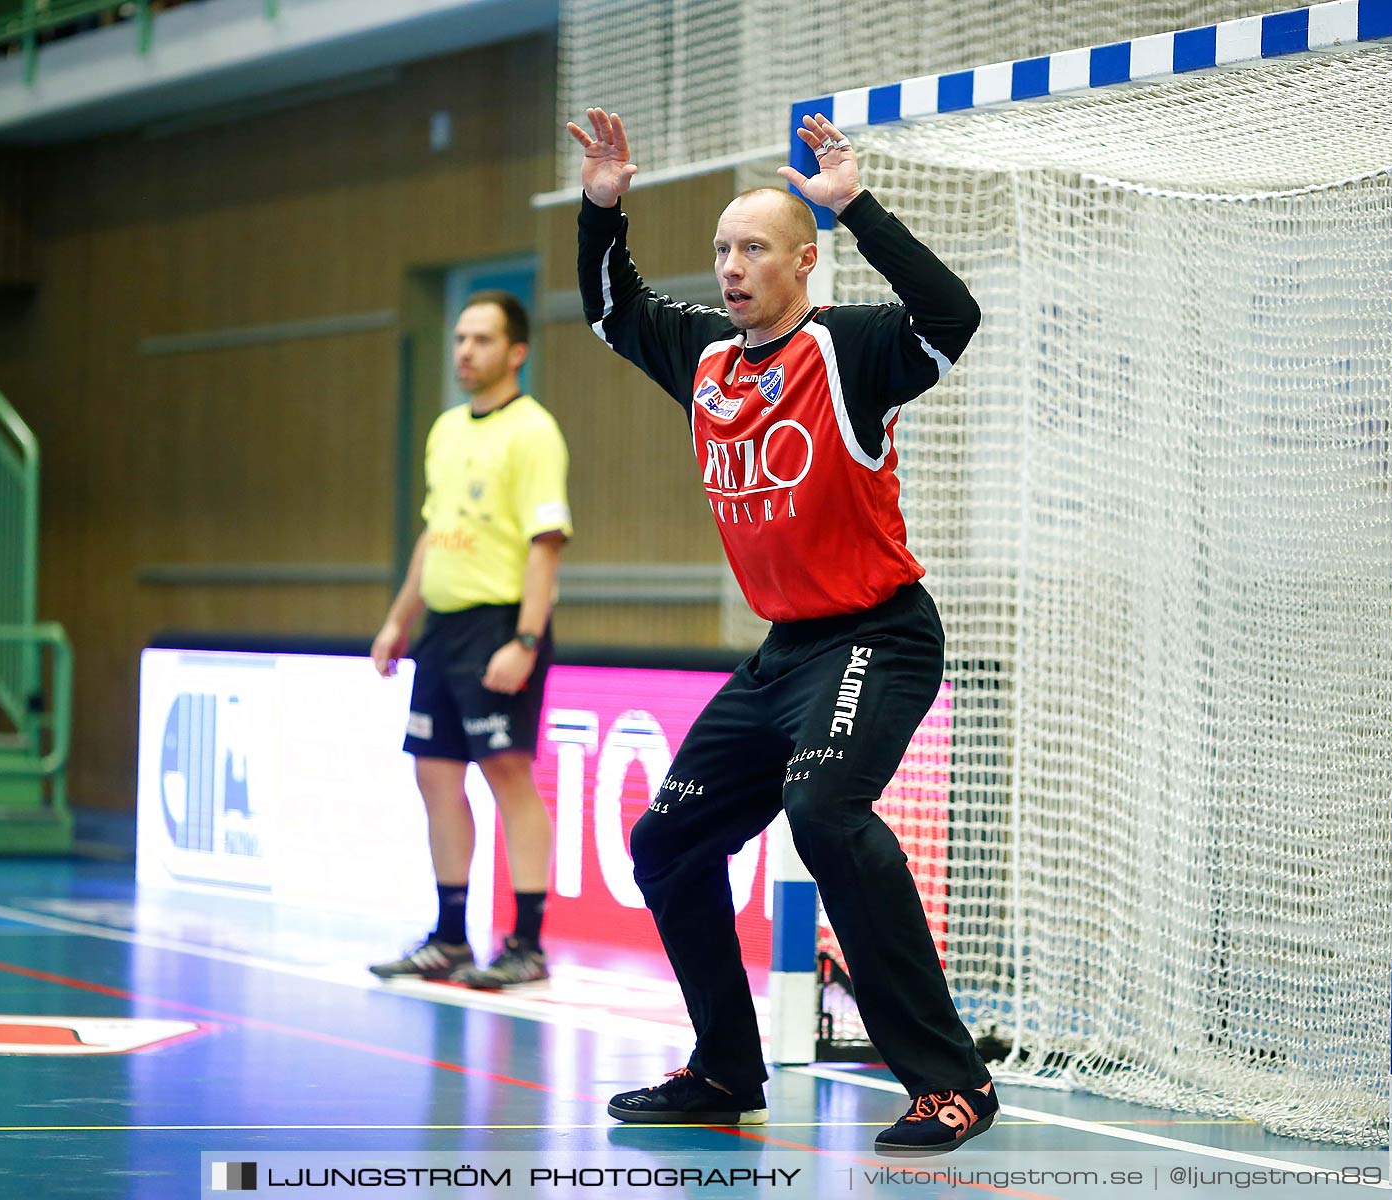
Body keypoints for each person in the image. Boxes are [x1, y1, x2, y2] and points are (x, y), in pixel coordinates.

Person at [568, 108, 997, 1155]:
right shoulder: (708, 359)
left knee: (824, 812)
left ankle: (952, 1084)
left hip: (876, 636)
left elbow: (953, 315)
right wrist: (602, 205)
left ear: (806, 261)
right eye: (721, 248)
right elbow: (611, 309)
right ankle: (724, 1069)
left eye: (754, 246)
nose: (731, 265)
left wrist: (858, 206)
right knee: (665, 842)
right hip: (784, 654)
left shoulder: (850, 349)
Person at [367, 290, 572, 991]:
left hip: (499, 623)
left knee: (507, 774)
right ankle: (450, 938)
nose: (464, 351)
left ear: (516, 352)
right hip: (443, 630)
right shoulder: (447, 430)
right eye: (459, 338)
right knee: (435, 774)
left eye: (481, 339)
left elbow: (546, 546)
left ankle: (527, 943)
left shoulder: (533, 431)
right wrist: (400, 619)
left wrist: (524, 638)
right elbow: (435, 532)